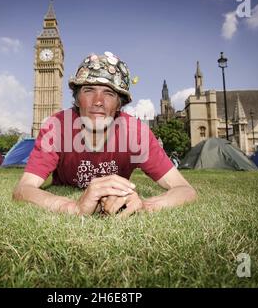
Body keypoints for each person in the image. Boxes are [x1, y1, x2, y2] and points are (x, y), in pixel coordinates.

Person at [13, 51, 197, 217]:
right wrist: (71, 206)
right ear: (77, 99)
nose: (98, 101)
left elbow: (185, 190)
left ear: (120, 104)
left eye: (108, 93)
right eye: (88, 90)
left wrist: (145, 205)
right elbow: (23, 189)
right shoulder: (57, 127)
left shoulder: (136, 133)